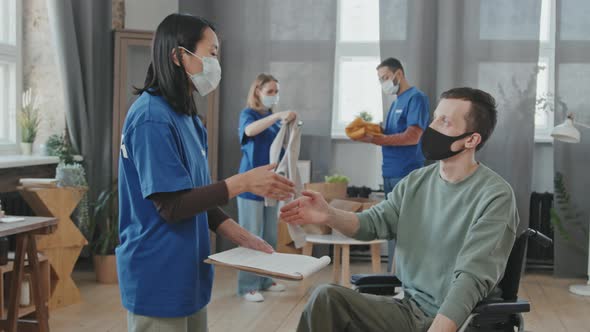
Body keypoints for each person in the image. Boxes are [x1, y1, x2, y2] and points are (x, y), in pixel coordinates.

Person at [281, 87, 519, 332]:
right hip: (408, 309)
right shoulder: (416, 182)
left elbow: (472, 277)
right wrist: (328, 215)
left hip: (458, 320)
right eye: (435, 117)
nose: (432, 127)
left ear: (471, 139)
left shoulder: (495, 195)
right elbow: (373, 223)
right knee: (327, 298)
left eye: (444, 121)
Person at [117, 14, 295, 332]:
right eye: (211, 53)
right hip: (158, 272)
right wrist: (242, 182)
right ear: (178, 55)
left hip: (188, 270)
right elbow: (171, 206)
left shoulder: (188, 118)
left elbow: (194, 195)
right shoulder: (150, 118)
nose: (216, 62)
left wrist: (240, 235)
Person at [357, 57, 431, 272]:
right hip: (390, 171)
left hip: (407, 171)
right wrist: (368, 130)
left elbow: (413, 136)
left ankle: (409, 278)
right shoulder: (395, 102)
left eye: (385, 78)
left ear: (398, 74)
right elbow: (390, 132)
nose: (383, 83)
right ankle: (394, 275)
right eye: (380, 79)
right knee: (392, 223)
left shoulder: (416, 98)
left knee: (408, 226)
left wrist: (375, 139)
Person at [236, 73, 297, 302]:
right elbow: (250, 131)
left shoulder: (273, 121)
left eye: (277, 92)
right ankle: (247, 286)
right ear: (257, 92)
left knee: (269, 236)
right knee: (250, 237)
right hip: (251, 186)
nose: (275, 96)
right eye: (270, 91)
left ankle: (265, 279)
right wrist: (279, 115)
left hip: (270, 185)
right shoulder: (248, 115)